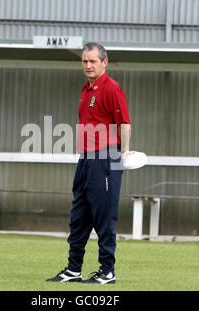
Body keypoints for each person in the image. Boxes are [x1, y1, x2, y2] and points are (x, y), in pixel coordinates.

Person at [46, 42, 131, 284]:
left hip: (105, 158)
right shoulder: (86, 90)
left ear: (104, 62)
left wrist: (122, 152)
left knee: (104, 217)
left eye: (93, 61)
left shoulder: (111, 88)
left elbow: (124, 122)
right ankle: (74, 269)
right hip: (85, 159)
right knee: (79, 217)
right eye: (85, 61)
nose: (88, 65)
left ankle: (107, 271)